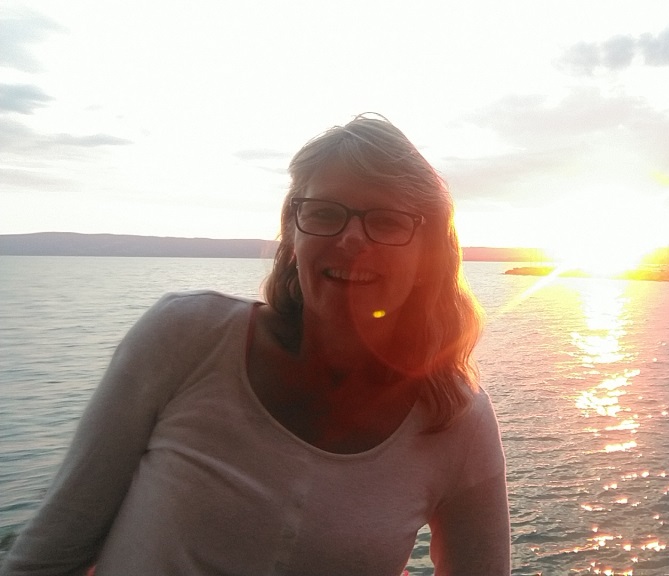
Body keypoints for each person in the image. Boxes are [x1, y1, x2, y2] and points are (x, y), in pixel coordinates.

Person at [1, 114, 511, 575]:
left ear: (428, 255)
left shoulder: (455, 419)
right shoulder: (186, 339)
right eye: (325, 213)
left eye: (387, 221)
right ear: (293, 236)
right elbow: (51, 554)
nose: (352, 240)